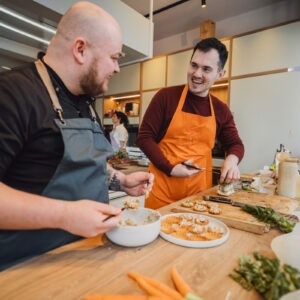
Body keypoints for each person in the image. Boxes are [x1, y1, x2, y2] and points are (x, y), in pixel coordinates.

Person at [0, 1, 153, 270]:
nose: (118, 68)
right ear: (80, 49)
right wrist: (64, 215)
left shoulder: (84, 100)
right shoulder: (12, 93)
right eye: (115, 57)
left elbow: (82, 167)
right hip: (26, 269)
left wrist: (121, 181)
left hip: (88, 256)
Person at [137, 37, 244, 209]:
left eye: (206, 69)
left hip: (199, 198)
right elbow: (144, 138)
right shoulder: (165, 97)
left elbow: (235, 144)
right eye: (194, 65)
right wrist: (170, 168)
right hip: (161, 195)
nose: (197, 74)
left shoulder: (220, 109)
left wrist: (231, 161)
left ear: (220, 74)